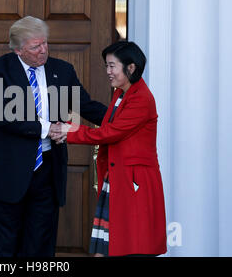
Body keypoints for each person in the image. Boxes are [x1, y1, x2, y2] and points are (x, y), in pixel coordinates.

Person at [0, 16, 108, 257]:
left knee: (40, 242)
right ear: (18, 49)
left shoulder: (62, 70)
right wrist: (48, 128)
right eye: (35, 46)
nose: (43, 50)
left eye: (45, 43)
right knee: (3, 245)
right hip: (8, 171)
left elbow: (86, 105)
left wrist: (120, 118)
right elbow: (3, 116)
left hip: (47, 171)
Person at [51, 41, 167, 257]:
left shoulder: (141, 98)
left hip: (134, 184)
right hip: (118, 178)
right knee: (107, 249)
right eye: (107, 66)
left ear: (130, 68)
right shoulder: (120, 93)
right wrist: (74, 128)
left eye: (112, 66)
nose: (108, 72)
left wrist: (71, 132)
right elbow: (109, 128)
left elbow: (111, 133)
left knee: (130, 248)